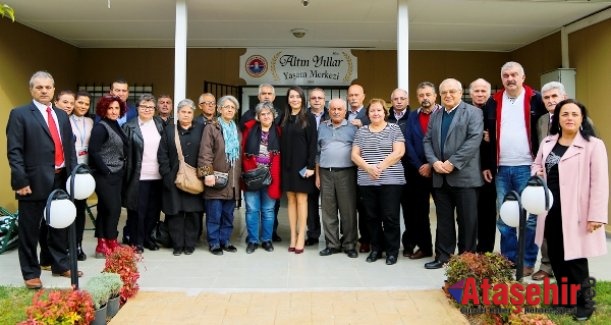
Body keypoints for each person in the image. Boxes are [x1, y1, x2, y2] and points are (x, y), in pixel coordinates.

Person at [532, 99, 607, 321]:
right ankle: (565, 300)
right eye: (565, 114)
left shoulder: (593, 145)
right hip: (551, 210)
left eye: (575, 114)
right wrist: (537, 174)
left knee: (575, 259)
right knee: (556, 256)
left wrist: (596, 215)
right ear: (558, 118)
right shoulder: (548, 142)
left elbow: (600, 183)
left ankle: (585, 303)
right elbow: (537, 164)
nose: (570, 118)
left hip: (577, 212)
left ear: (582, 118)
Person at [7, 71, 80, 289]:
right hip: (32, 182)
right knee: (29, 230)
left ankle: (60, 264)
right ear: (31, 90)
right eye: (39, 87)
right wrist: (20, 181)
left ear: (54, 90)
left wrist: (74, 176)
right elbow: (15, 151)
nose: (44, 91)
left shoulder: (61, 115)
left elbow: (69, 149)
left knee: (59, 225)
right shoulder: (20, 114)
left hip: (61, 179)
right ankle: (30, 272)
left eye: (48, 87)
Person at [482, 61, 547, 276]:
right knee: (505, 217)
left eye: (514, 75)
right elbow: (486, 136)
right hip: (501, 169)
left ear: (523, 77)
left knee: (531, 219)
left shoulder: (536, 99)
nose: (510, 79)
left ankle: (527, 261)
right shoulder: (493, 101)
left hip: (528, 167)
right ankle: (510, 260)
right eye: (506, 75)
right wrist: (488, 164)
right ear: (502, 79)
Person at [423, 78, 483, 269]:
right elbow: (427, 141)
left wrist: (452, 163)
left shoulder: (473, 112)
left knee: (467, 221)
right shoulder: (436, 115)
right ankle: (443, 256)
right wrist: (434, 162)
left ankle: (467, 260)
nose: (448, 95)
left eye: (452, 91)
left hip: (464, 177)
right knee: (444, 221)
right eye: (444, 92)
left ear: (460, 92)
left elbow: (474, 140)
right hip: (440, 177)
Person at [351, 98, 405, 265]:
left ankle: (392, 251)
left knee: (390, 217)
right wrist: (368, 168)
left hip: (391, 181)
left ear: (385, 113)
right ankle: (376, 249)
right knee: (371, 217)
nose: (375, 113)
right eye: (372, 111)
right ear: (368, 114)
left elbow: (399, 152)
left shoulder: (394, 129)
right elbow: (354, 155)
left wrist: (379, 167)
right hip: (367, 181)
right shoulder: (362, 132)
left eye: (379, 110)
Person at [158, 99, 205, 256]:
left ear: (193, 114)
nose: (186, 114)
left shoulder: (201, 129)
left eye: (189, 112)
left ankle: (190, 244)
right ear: (178, 113)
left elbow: (207, 154)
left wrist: (205, 175)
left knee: (193, 213)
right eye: (183, 112)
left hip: (196, 178)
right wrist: (166, 174)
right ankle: (177, 245)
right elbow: (162, 154)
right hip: (174, 178)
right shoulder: (169, 130)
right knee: (175, 213)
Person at [198, 95, 242, 256]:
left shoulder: (236, 129)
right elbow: (205, 153)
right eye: (226, 107)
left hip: (232, 181)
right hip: (216, 178)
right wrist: (207, 174)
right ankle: (214, 242)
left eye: (232, 108)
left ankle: (225, 240)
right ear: (220, 109)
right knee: (214, 215)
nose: (230, 110)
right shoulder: (212, 127)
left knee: (228, 215)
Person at [238, 84, 282, 242]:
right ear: (257, 116)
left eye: (268, 114)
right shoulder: (248, 128)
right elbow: (242, 150)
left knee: (269, 210)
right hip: (252, 175)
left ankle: (267, 240)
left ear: (273, 116)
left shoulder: (278, 131)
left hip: (272, 176)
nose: (266, 116)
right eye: (262, 114)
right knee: (252, 210)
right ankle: (253, 240)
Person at [316, 98, 359, 258]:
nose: (336, 112)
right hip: (326, 172)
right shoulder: (322, 127)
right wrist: (317, 175)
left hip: (346, 173)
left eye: (339, 109)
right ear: (329, 111)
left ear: (345, 111)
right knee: (328, 211)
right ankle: (332, 244)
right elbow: (317, 153)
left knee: (348, 211)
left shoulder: (353, 128)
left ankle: (349, 244)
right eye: (333, 109)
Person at [122, 94, 165, 253]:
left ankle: (148, 238)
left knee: (153, 211)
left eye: (150, 107)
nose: (147, 110)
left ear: (155, 109)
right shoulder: (129, 126)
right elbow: (124, 153)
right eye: (144, 106)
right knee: (137, 212)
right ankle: (136, 241)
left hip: (158, 176)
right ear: (137, 108)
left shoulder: (159, 124)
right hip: (138, 176)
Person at [403, 82, 440, 259]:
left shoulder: (443, 114)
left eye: (428, 94)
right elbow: (408, 141)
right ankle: (425, 248)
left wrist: (432, 164)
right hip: (418, 172)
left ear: (435, 96)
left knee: (443, 212)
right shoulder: (412, 116)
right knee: (420, 212)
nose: (425, 98)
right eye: (421, 95)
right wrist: (419, 165)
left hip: (441, 170)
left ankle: (443, 250)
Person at [89, 94, 128, 258]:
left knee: (105, 209)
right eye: (110, 108)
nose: (113, 111)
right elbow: (94, 151)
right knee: (113, 209)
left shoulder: (116, 124)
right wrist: (106, 171)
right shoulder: (101, 127)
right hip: (105, 175)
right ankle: (109, 242)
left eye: (116, 108)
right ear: (103, 109)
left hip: (116, 173)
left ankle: (103, 244)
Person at [281, 86, 318, 254]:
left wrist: (311, 166)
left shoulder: (308, 117)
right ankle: (293, 237)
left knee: (302, 200)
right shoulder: (284, 118)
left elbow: (313, 144)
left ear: (303, 99)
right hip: (286, 166)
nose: (294, 99)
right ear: (288, 99)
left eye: (297, 96)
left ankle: (302, 235)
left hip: (303, 167)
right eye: (291, 96)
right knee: (291, 200)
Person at [469, 78, 497, 254]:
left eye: (483, 91)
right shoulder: (465, 111)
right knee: (469, 212)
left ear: (489, 93)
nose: (480, 94)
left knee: (487, 211)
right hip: (467, 170)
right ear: (471, 93)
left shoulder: (495, 110)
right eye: (476, 91)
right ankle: (469, 247)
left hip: (488, 170)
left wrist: (491, 137)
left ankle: (485, 249)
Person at [345, 83, 371, 253]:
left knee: (364, 206)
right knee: (347, 204)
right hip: (346, 167)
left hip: (365, 166)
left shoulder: (370, 115)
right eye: (351, 95)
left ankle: (366, 239)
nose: (353, 98)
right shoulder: (343, 114)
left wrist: (363, 126)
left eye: (357, 95)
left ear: (363, 96)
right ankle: (347, 236)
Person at [69, 91, 94, 261]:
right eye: (80, 103)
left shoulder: (91, 121)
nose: (83, 106)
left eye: (86, 103)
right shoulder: (65, 120)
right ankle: (66, 245)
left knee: (80, 209)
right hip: (69, 169)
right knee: (67, 208)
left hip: (85, 170)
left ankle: (78, 244)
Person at [305, 88, 329, 247]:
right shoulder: (302, 116)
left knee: (330, 203)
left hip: (328, 165)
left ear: (324, 99)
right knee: (310, 202)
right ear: (309, 100)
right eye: (313, 98)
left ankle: (333, 236)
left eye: (320, 97)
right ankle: (313, 234)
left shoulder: (333, 113)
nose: (317, 100)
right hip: (308, 165)